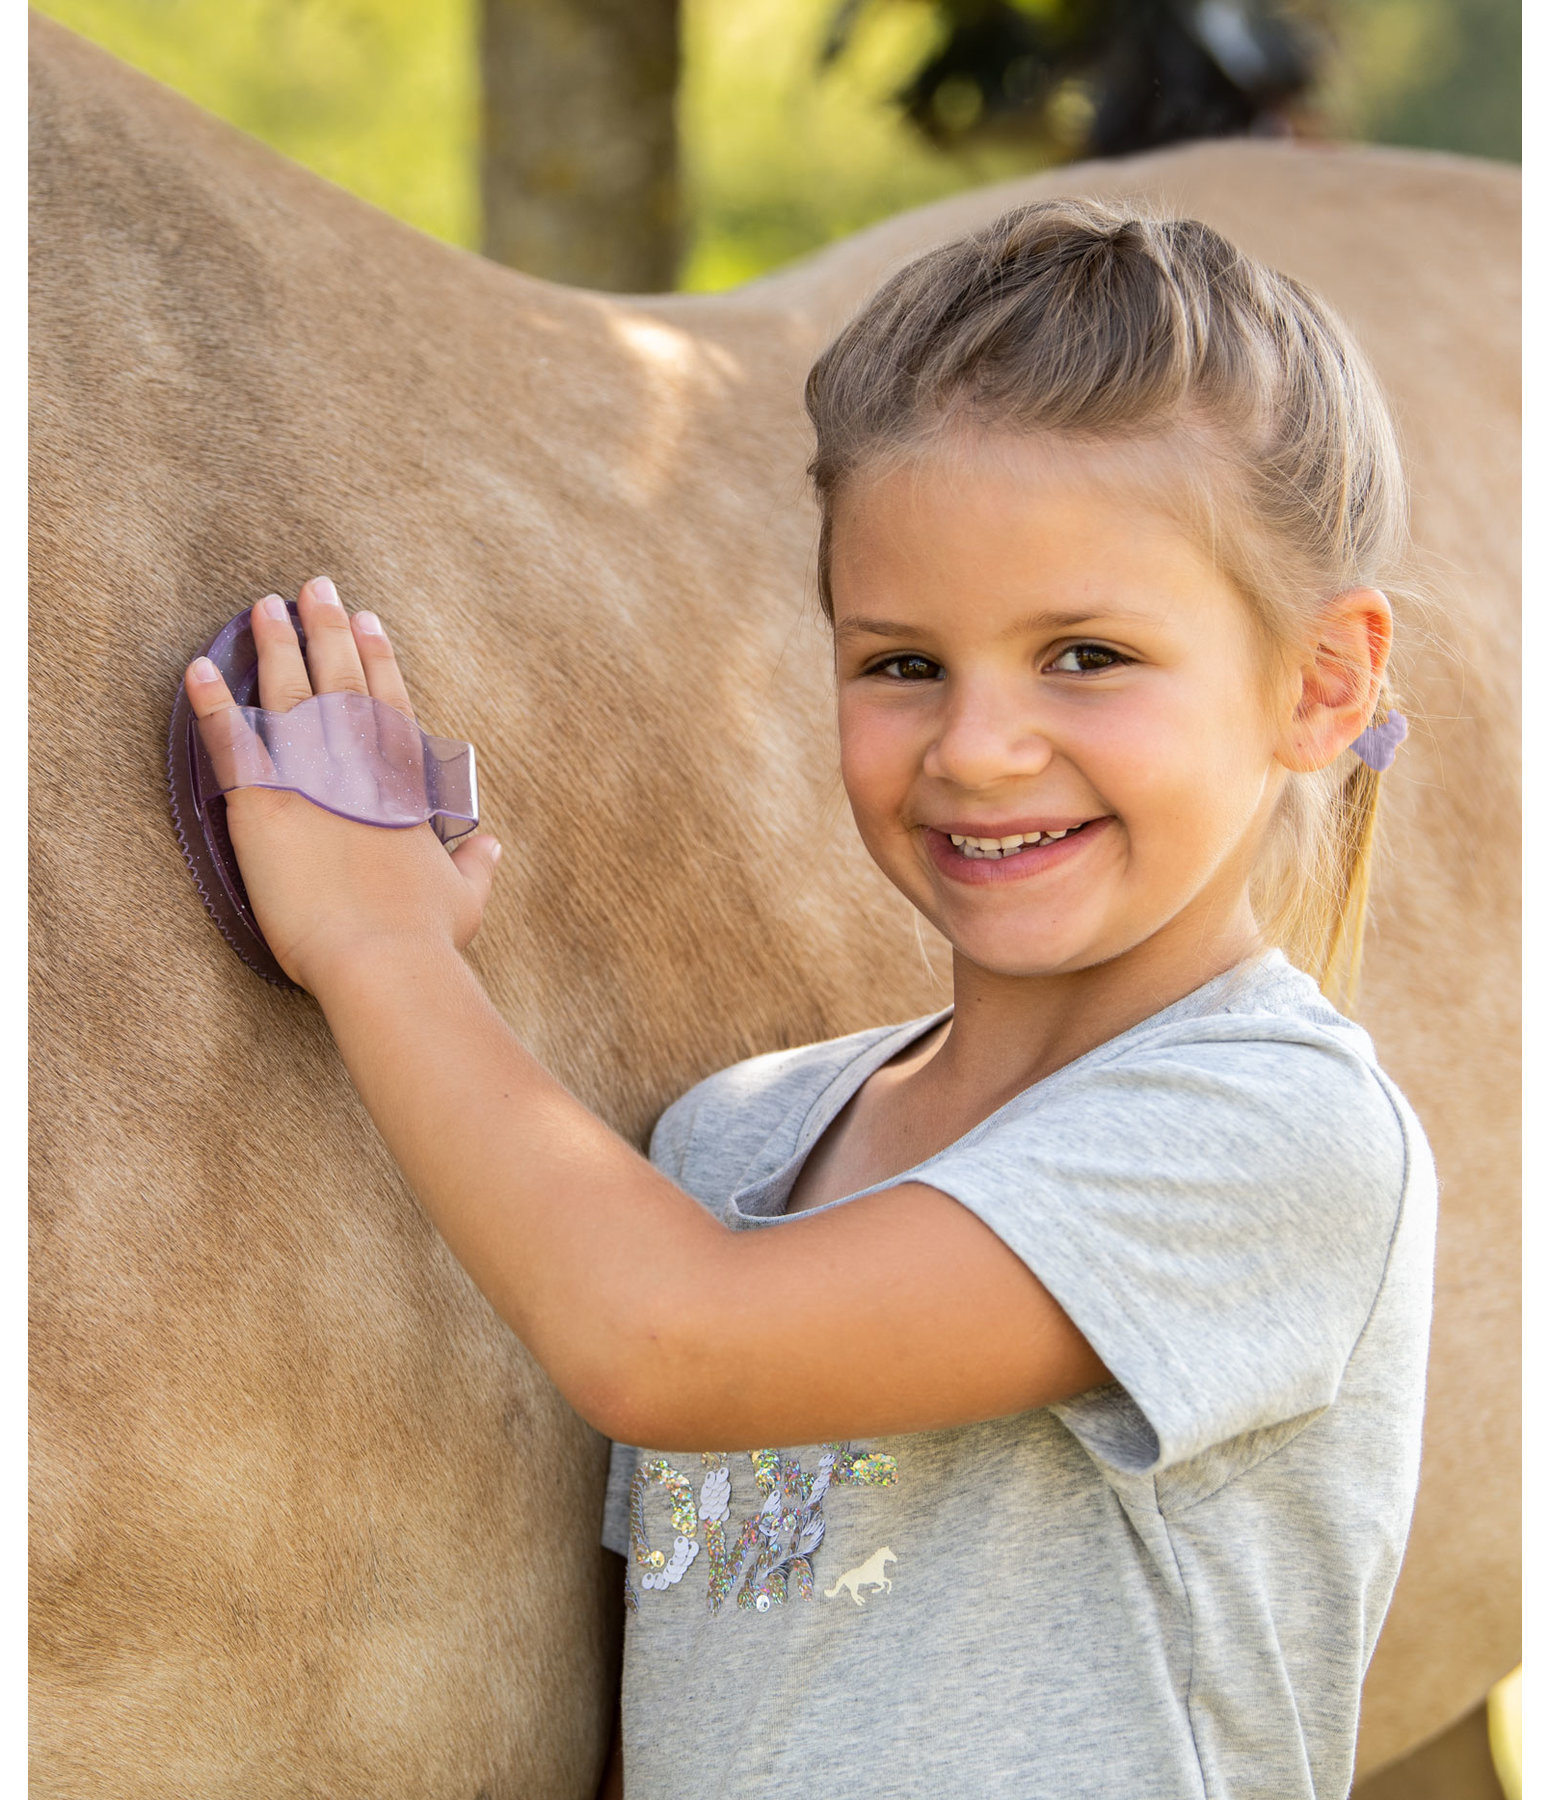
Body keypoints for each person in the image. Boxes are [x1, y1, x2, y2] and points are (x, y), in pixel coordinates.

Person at [182, 199, 1436, 1800]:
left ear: (1322, 683)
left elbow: (668, 1345)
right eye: (901, 663)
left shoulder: (1274, 1129)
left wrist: (381, 951)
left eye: (1087, 656)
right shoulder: (730, 1145)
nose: (976, 747)